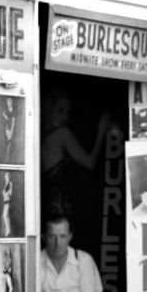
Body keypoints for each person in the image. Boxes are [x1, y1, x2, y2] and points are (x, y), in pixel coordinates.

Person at [41, 88, 111, 217]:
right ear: (49, 110)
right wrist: (101, 130)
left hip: (47, 203)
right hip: (62, 205)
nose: (65, 117)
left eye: (67, 112)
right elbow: (90, 163)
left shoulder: (43, 136)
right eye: (60, 111)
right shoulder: (62, 134)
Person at [0, 171, 14, 237]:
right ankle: (8, 230)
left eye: (7, 176)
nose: (5, 177)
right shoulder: (6, 184)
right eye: (5, 176)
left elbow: (11, 193)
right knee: (6, 216)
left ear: (9, 177)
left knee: (5, 216)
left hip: (8, 202)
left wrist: (6, 193)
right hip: (5, 202)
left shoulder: (10, 183)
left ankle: (8, 230)